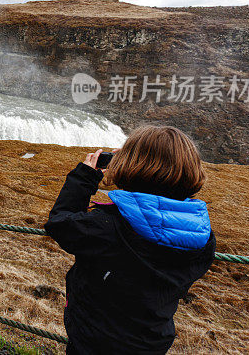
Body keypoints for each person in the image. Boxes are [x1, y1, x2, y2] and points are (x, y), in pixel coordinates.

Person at [45, 125, 215, 354]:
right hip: (151, 344)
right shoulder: (201, 237)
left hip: (94, 343)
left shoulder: (109, 226)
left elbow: (60, 223)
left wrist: (85, 176)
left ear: (128, 166)